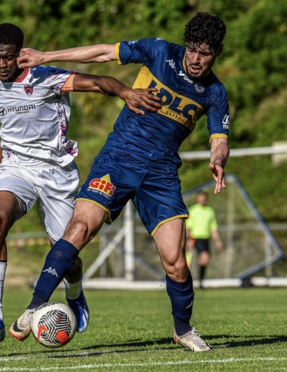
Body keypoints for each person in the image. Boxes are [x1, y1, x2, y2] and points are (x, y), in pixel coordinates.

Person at [13, 12, 230, 352]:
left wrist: (218, 160)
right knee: (79, 230)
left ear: (216, 52)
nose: (196, 58)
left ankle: (183, 329)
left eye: (205, 52)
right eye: (192, 49)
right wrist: (45, 57)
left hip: (160, 174)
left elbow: (219, 139)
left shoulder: (215, 92)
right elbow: (103, 52)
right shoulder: (159, 51)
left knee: (175, 261)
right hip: (118, 159)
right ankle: (34, 305)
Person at [0, 23, 161, 346]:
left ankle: (74, 292)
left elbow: (96, 82)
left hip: (55, 172)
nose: (1, 65)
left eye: (7, 58)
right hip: (16, 168)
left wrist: (125, 92)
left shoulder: (44, 77)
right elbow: (9, 127)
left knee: (66, 257)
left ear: (20, 55)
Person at [185, 192, 224, 288]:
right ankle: (184, 282)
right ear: (197, 199)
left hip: (205, 238)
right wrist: (189, 239)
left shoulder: (210, 211)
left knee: (204, 260)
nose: (202, 200)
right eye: (200, 198)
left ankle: (200, 281)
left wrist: (218, 241)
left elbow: (213, 228)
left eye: (204, 198)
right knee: (189, 260)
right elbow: (188, 226)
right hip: (194, 238)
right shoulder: (193, 210)